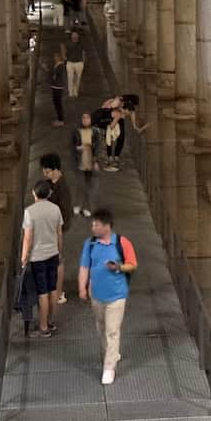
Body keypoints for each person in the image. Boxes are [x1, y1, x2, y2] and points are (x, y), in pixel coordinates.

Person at [77, 208, 138, 385]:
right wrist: (82, 287)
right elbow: (84, 267)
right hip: (96, 295)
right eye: (93, 224)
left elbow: (132, 264)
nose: (93, 227)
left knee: (112, 331)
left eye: (96, 224)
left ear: (107, 226)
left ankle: (109, 367)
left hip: (117, 295)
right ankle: (111, 353)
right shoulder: (89, 244)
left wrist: (118, 267)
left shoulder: (122, 242)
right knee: (101, 326)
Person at [19, 179, 65, 338]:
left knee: (42, 293)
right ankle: (51, 321)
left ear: (34, 193)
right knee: (53, 290)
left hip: (37, 257)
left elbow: (28, 238)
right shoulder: (56, 209)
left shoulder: (30, 212)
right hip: (53, 254)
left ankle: (43, 327)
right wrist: (59, 252)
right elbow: (59, 234)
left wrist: (24, 257)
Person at [40, 154, 73, 305]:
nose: (44, 174)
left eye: (47, 171)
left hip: (56, 229)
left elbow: (65, 211)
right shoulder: (51, 183)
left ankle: (59, 292)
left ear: (55, 170)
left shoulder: (62, 187)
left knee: (57, 260)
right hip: (50, 228)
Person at [48, 46, 68, 125]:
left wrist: (51, 75)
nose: (54, 58)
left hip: (57, 86)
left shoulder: (59, 66)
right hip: (56, 86)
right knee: (57, 103)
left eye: (55, 57)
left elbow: (55, 76)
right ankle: (59, 119)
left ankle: (60, 120)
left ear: (58, 57)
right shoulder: (58, 65)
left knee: (58, 103)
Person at [76, 111, 99, 180]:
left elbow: (96, 145)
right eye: (83, 118)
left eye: (87, 118)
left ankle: (88, 173)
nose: (85, 120)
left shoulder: (94, 131)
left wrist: (95, 160)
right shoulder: (78, 131)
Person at [65, 30, 86, 98]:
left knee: (77, 78)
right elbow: (65, 51)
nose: (74, 37)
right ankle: (70, 92)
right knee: (70, 77)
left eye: (76, 35)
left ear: (78, 36)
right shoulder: (68, 43)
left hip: (79, 63)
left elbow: (83, 52)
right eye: (73, 35)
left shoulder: (81, 43)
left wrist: (83, 61)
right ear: (71, 36)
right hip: (70, 62)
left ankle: (75, 91)